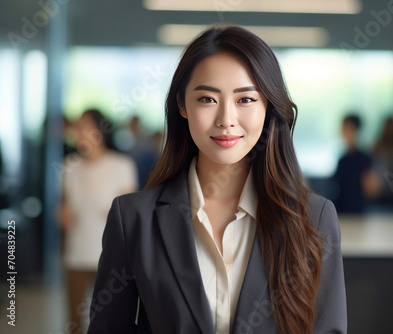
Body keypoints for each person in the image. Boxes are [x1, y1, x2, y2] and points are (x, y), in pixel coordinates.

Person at [88, 26, 347, 334]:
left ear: (268, 107)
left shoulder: (314, 218)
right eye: (208, 99)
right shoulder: (133, 218)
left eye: (246, 99)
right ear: (182, 105)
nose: (226, 119)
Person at [59, 109, 138, 334]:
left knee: (108, 317)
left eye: (85, 126)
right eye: (77, 127)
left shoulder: (121, 165)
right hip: (76, 250)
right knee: (73, 318)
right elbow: (64, 205)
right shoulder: (69, 166)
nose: (79, 132)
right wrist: (62, 213)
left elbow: (129, 211)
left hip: (110, 253)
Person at [332, 114, 379, 213]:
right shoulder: (342, 159)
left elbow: (370, 189)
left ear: (355, 130)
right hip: (341, 209)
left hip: (357, 211)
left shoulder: (364, 158)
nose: (342, 131)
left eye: (346, 127)